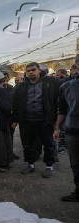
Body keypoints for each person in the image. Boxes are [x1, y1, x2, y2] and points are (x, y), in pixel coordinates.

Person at [12, 62, 60, 178]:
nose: (31, 72)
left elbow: (57, 101)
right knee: (28, 144)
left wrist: (57, 122)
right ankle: (30, 165)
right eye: (28, 71)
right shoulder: (21, 87)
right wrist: (15, 120)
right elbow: (15, 104)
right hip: (27, 121)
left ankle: (49, 166)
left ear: (39, 70)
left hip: (45, 120)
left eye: (33, 70)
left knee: (48, 144)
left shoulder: (51, 83)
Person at [54, 65, 79, 201]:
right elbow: (62, 109)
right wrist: (57, 128)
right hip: (72, 131)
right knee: (75, 164)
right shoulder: (66, 86)